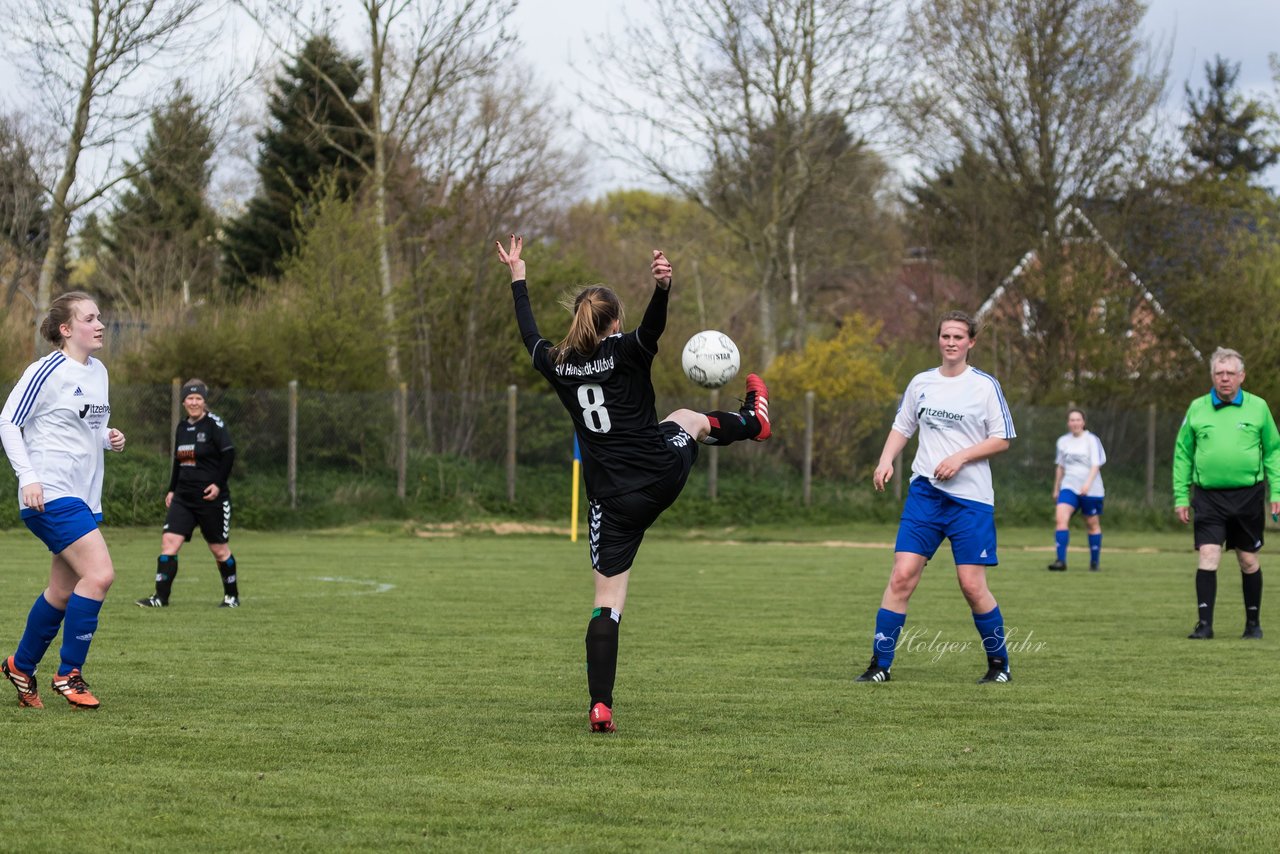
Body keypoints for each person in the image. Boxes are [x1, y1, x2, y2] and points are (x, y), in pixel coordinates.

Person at [495, 235, 771, 733]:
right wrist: (663, 287)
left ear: (578, 322)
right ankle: (753, 421)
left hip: (612, 501)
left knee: (607, 604)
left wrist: (518, 276)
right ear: (615, 322)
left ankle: (601, 706)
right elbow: (655, 327)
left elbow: (527, 333)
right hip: (660, 472)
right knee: (689, 418)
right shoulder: (627, 349)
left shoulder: (556, 363)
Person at [857, 310, 1016, 684]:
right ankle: (880, 665)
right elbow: (903, 426)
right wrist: (885, 460)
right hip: (926, 495)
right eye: (945, 336)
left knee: (972, 587)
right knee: (902, 576)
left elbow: (1003, 438)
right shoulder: (921, 383)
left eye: (958, 337)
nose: (951, 342)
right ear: (938, 340)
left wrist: (961, 457)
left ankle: (999, 665)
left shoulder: (984, 386)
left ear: (971, 343)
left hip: (971, 501)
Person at [0, 292, 127, 709]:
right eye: (90, 318)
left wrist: (109, 438)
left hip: (82, 497)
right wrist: (29, 477)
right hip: (51, 494)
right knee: (100, 574)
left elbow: (89, 427)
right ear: (67, 329)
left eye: (100, 317)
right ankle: (68, 674)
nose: (100, 324)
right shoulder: (47, 369)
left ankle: (21, 665)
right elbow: (8, 421)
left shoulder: (99, 371)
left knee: (62, 591)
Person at [1173, 347, 1280, 640]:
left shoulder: (1259, 408)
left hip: (1248, 496)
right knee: (1208, 555)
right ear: (1211, 376)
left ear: (1241, 376)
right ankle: (1204, 625)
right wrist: (1181, 496)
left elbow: (1273, 451)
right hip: (1208, 497)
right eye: (1219, 373)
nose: (1224, 379)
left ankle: (1253, 624)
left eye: (1230, 373)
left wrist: (1277, 491)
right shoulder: (1196, 408)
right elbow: (1182, 454)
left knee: (1247, 559)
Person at [136, 379, 239, 609]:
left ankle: (231, 597)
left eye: (198, 398)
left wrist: (218, 485)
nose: (194, 402)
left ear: (204, 402)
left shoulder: (214, 424)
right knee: (169, 543)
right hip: (183, 497)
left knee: (219, 549)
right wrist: (172, 489)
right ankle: (160, 597)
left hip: (210, 498)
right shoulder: (182, 427)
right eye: (189, 398)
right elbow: (178, 461)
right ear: (183, 402)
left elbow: (229, 454)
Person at [1047, 408, 1106, 572]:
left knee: (1092, 523)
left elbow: (1096, 464)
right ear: (1068, 423)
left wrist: (1087, 484)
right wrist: (1056, 488)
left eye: (1078, 420)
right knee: (1060, 518)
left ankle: (1094, 563)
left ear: (1083, 422)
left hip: (1091, 489)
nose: (1075, 423)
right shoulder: (1063, 441)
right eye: (1072, 420)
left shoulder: (1092, 440)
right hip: (1069, 486)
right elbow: (1060, 466)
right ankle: (1060, 561)